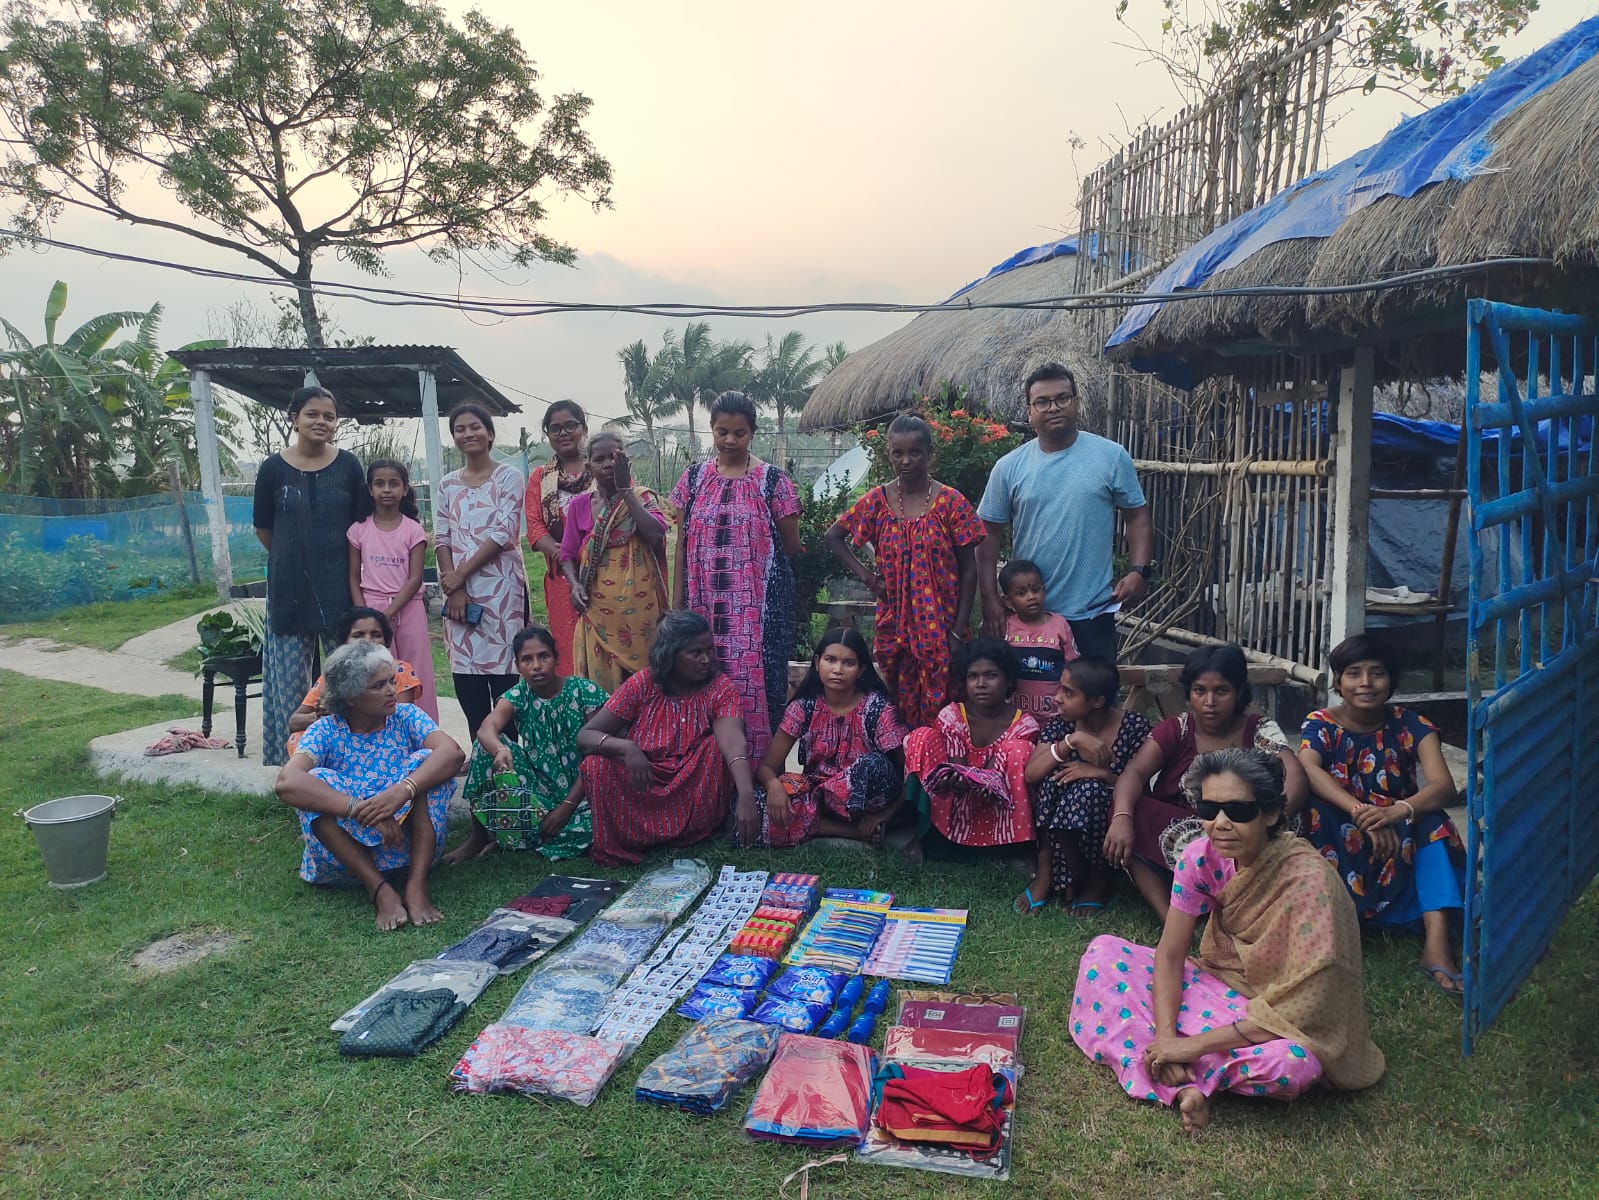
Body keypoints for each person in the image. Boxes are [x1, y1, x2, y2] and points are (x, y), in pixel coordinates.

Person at [1071, 749, 1385, 1135]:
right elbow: (1170, 956)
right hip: (1218, 985)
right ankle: (1173, 1066)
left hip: (1276, 1017)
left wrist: (1190, 1046)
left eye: (1238, 811)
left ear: (1271, 813)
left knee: (1293, 1065)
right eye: (1209, 809)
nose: (1220, 824)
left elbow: (1304, 1009)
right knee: (1103, 952)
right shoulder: (1200, 857)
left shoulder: (1310, 884)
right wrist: (1167, 1035)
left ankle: (1173, 1068)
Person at [1299, 635, 1467, 996]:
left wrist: (1396, 812)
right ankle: (1335, 923)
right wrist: (1361, 812)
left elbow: (1444, 786)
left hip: (1397, 828)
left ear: (1391, 680)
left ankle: (1437, 945)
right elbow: (1308, 769)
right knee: (1314, 810)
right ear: (1338, 681)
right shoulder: (1321, 723)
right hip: (1341, 824)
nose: (1365, 683)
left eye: (1377, 673)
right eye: (1353, 673)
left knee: (1432, 821)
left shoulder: (1412, 724)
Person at [1105, 643, 1308, 920]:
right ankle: (1169, 915)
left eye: (1221, 691)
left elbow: (1295, 774)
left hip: (1244, 833)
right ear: (1189, 693)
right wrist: (1122, 817)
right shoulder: (1177, 729)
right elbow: (1134, 773)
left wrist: (1269, 823)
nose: (1209, 702)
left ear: (1239, 692)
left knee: (1305, 811)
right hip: (1182, 837)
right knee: (1125, 808)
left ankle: (1246, 904)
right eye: (1200, 691)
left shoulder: (1258, 728)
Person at [274, 640, 465, 931]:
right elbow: (287, 783)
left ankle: (416, 887)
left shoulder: (405, 716)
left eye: (391, 681)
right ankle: (380, 890)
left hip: (407, 850)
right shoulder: (326, 729)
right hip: (343, 861)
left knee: (428, 764)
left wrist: (402, 791)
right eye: (378, 686)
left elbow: (453, 754)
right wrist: (361, 809)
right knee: (313, 782)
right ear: (351, 696)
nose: (391, 691)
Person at [976, 362, 1153, 664]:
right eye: (1042, 402)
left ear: (1076, 402)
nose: (1053, 407)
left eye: (1062, 398)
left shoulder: (1111, 456)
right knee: (1028, 694)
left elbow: (1137, 516)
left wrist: (1139, 571)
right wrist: (990, 597)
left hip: (1092, 614)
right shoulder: (1009, 467)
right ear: (1029, 411)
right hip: (1028, 617)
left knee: (1094, 693)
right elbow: (987, 534)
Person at [824, 413, 984, 728]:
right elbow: (834, 536)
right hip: (894, 626)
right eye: (898, 453)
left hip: (942, 627)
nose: (906, 460)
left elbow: (969, 570)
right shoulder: (877, 501)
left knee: (947, 711)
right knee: (898, 708)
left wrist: (957, 630)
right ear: (889, 454)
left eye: (915, 453)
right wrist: (869, 578)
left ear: (930, 454)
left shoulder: (951, 503)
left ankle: (938, 761)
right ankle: (905, 760)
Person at [670, 391, 802, 763]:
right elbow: (681, 546)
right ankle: (704, 771)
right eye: (722, 432)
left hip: (754, 616)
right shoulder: (693, 479)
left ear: (752, 433)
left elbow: (791, 545)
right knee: (700, 681)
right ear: (712, 430)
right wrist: (677, 607)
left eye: (739, 433)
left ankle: (757, 773)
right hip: (702, 608)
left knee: (753, 689)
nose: (730, 440)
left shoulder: (772, 481)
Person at [575, 610, 758, 866]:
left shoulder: (720, 688)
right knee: (595, 765)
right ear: (670, 654)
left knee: (715, 749)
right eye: (695, 653)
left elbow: (732, 741)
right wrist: (626, 748)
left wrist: (746, 795)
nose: (706, 660)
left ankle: (689, 834)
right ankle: (630, 839)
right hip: (644, 783)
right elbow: (586, 736)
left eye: (709, 650)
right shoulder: (643, 683)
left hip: (691, 787)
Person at [252, 384, 367, 765]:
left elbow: (361, 525)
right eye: (312, 414)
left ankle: (348, 759)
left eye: (329, 417)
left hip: (340, 588)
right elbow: (264, 528)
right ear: (294, 419)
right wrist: (295, 559)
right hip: (289, 589)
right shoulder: (273, 469)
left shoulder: (348, 466)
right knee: (289, 685)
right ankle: (293, 765)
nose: (321, 422)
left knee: (346, 679)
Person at [447, 626, 609, 864]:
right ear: (517, 666)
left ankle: (517, 835)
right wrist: (500, 750)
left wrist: (567, 806)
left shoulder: (584, 691)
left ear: (556, 659)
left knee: (599, 825)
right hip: (539, 791)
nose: (536, 666)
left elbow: (596, 755)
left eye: (544, 657)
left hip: (584, 792)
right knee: (484, 748)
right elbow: (486, 728)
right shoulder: (519, 694)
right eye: (527, 660)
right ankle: (479, 837)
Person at [751, 627, 910, 847]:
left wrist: (887, 813)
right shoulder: (803, 708)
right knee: (755, 803)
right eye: (830, 660)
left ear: (861, 670)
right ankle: (852, 831)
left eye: (849, 663)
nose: (838, 669)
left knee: (871, 766)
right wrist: (773, 786)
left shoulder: (878, 709)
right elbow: (767, 767)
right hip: (820, 798)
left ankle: (812, 821)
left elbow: (911, 770)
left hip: (867, 797)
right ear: (817, 663)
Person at [1017, 655, 1150, 916]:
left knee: (1089, 790)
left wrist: (1101, 774)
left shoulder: (1134, 728)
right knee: (1051, 782)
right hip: (1058, 819)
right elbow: (1032, 774)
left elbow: (1145, 788)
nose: (1057, 698)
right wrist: (1072, 741)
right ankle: (1047, 869)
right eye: (1060, 688)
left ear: (1097, 701)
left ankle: (1097, 879)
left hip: (1107, 819)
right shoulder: (1062, 724)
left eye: (1069, 692)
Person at [435, 402, 529, 741]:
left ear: (489, 433)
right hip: (460, 597)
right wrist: (455, 588)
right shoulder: (447, 485)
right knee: (467, 681)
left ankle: (511, 756)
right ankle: (480, 757)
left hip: (503, 592)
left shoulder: (509, 477)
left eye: (475, 427)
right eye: (459, 429)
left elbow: (504, 533)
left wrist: (460, 575)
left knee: (506, 679)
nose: (468, 433)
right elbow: (442, 538)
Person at [902, 637, 1041, 858]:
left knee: (1020, 750)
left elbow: (991, 778)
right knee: (921, 737)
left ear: (1008, 681)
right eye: (973, 676)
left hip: (996, 806)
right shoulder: (952, 715)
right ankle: (924, 833)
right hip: (953, 805)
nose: (981, 684)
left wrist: (982, 781)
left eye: (991, 675)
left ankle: (1013, 847)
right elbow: (958, 769)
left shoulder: (1024, 725)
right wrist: (954, 780)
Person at [559, 432, 669, 691]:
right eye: (600, 459)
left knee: (644, 684)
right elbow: (567, 554)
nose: (608, 464)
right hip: (596, 612)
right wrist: (574, 585)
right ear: (589, 467)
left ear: (626, 463)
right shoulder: (579, 506)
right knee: (603, 690)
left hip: (640, 616)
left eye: (614, 457)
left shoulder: (642, 498)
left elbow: (655, 535)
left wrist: (626, 493)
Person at [346, 458, 438, 720]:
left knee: (416, 669)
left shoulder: (413, 530)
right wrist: (365, 616)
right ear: (370, 489)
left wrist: (390, 612)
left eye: (394, 484)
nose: (386, 489)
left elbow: (415, 578)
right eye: (379, 484)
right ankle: (381, 729)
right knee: (377, 670)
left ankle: (422, 730)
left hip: (408, 608)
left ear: (405, 489)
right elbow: (353, 576)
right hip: (372, 606)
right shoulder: (358, 530)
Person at [284, 607, 424, 756]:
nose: (368, 640)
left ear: (386, 639)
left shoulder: (399, 670)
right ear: (345, 641)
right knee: (298, 739)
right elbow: (294, 722)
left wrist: (342, 711)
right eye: (358, 635)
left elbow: (397, 718)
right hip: (341, 741)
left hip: (386, 740)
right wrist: (320, 716)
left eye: (376, 635)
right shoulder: (337, 672)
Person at [524, 400, 595, 676]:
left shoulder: (603, 466)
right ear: (548, 434)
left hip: (605, 575)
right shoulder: (540, 478)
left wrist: (590, 555)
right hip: (561, 581)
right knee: (568, 651)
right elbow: (534, 527)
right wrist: (566, 555)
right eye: (555, 428)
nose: (563, 433)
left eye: (570, 425)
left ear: (583, 428)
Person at [999, 557, 1079, 720]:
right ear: (1008, 601)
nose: (1031, 597)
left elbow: (1074, 667)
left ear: (1044, 590)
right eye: (1021, 593)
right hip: (1015, 719)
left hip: (1054, 716)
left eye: (1036, 590)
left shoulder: (1059, 625)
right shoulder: (1006, 627)